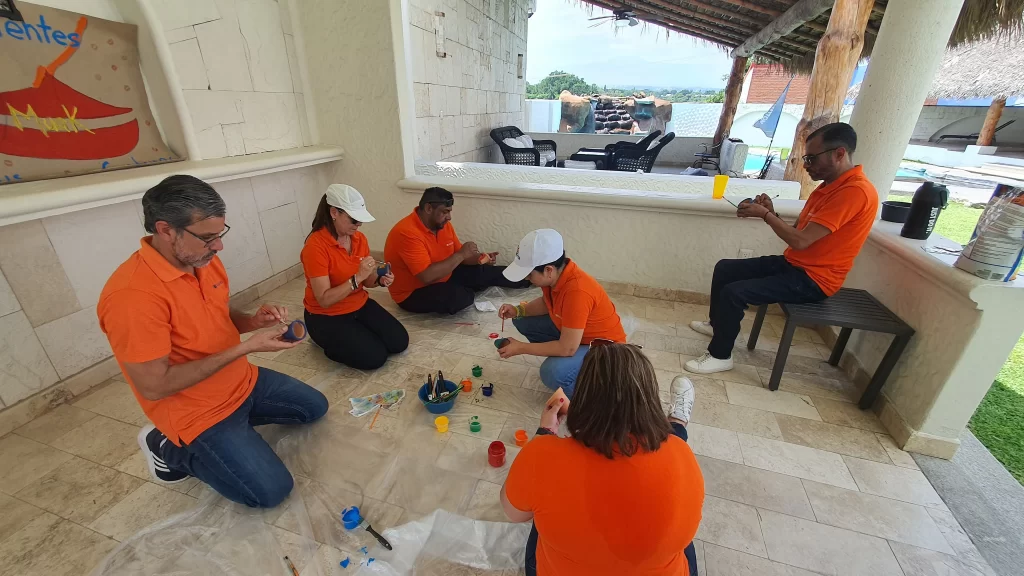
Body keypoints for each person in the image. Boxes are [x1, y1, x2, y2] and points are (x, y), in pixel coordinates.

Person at [97, 175, 328, 509]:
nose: (218, 246)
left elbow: (217, 312)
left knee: (314, 408)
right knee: (270, 491)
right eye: (207, 238)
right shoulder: (132, 297)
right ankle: (168, 448)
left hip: (240, 382)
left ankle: (234, 437)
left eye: (220, 234)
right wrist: (246, 347)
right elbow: (154, 386)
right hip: (197, 410)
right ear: (165, 230)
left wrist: (252, 322)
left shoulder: (202, 260)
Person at [685, 122, 879, 375]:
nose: (806, 165)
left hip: (815, 279)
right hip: (795, 265)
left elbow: (799, 241)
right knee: (725, 269)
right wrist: (771, 212)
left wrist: (765, 215)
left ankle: (720, 355)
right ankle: (717, 324)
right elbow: (799, 232)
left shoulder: (855, 192)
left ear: (839, 154)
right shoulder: (829, 187)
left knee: (735, 292)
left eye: (811, 158)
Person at [501, 344, 704, 576]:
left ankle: (675, 423)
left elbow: (514, 513)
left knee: (540, 511)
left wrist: (544, 433)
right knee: (677, 531)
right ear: (649, 400)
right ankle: (677, 423)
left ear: (581, 397)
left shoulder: (542, 454)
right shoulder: (680, 454)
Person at [497, 229, 626, 398]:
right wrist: (518, 310)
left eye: (529, 275)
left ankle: (596, 398)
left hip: (606, 350)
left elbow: (567, 348)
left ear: (548, 270)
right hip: (579, 337)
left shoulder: (577, 291)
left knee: (552, 372)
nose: (527, 279)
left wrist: (521, 347)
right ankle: (572, 363)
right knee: (521, 319)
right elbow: (546, 303)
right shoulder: (555, 277)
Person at [301, 184, 409, 369]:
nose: (358, 225)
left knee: (399, 342)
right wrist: (357, 278)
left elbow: (366, 280)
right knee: (374, 358)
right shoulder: (315, 247)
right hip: (326, 315)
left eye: (360, 220)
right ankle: (326, 342)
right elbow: (324, 299)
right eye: (354, 220)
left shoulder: (359, 239)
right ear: (334, 212)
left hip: (358, 304)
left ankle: (354, 335)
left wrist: (379, 280)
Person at [383, 187, 529, 314]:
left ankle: (529, 276)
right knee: (459, 298)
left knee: (483, 271)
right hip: (413, 293)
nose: (449, 217)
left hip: (444, 275)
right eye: (445, 212)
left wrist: (480, 258)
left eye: (449, 211)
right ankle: (465, 288)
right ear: (428, 208)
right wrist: (461, 255)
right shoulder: (406, 233)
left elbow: (461, 257)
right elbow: (426, 276)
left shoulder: (442, 225)